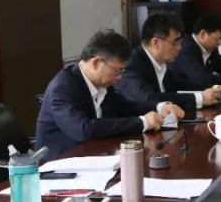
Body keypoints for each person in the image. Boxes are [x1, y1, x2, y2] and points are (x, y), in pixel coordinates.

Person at [36, 30, 184, 158]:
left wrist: (159, 107)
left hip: (94, 156)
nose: (119, 77)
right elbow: (83, 129)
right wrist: (143, 122)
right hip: (60, 166)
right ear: (96, 63)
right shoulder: (63, 87)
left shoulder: (101, 83)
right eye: (117, 70)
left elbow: (124, 106)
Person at [115, 14, 221, 111]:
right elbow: (149, 98)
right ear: (155, 43)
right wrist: (199, 98)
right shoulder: (132, 65)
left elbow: (180, 84)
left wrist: (215, 89)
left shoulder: (161, 63)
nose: (179, 48)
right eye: (175, 43)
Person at [169, 13, 221, 89]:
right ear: (203, 34)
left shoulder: (211, 51)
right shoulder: (186, 50)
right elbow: (203, 79)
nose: (220, 43)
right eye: (218, 39)